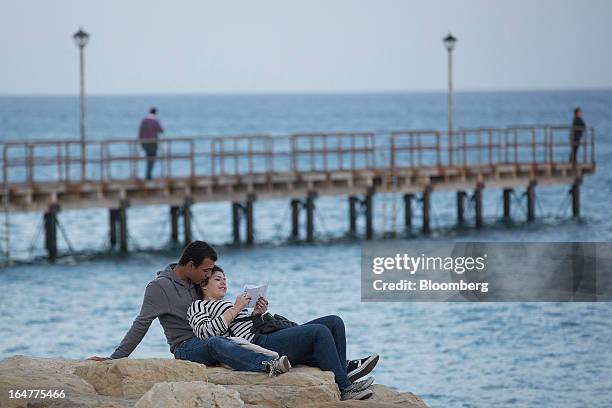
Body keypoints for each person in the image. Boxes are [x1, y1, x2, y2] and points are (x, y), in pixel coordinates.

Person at [88, 241, 291, 377]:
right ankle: (267, 366)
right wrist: (115, 358)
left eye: (211, 271)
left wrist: (253, 311)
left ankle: (281, 356)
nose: (208, 276)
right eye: (206, 271)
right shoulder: (159, 288)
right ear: (190, 266)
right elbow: (141, 324)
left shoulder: (196, 282)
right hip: (186, 347)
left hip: (215, 336)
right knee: (215, 343)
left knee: (224, 340)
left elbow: (214, 308)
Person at [188, 266, 380, 401]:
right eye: (217, 279)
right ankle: (345, 386)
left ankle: (342, 371)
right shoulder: (199, 306)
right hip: (259, 344)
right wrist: (236, 309)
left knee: (334, 321)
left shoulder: (230, 303)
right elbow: (205, 334)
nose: (223, 282)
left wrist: (256, 313)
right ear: (204, 285)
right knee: (319, 332)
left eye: (224, 279)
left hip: (265, 334)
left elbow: (245, 326)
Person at [139, 107, 164, 180]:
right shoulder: (155, 121)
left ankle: (148, 175)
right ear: (155, 113)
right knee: (152, 159)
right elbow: (161, 130)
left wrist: (141, 143)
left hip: (145, 142)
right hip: (153, 143)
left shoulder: (144, 121)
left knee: (148, 158)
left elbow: (140, 133)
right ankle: (148, 176)